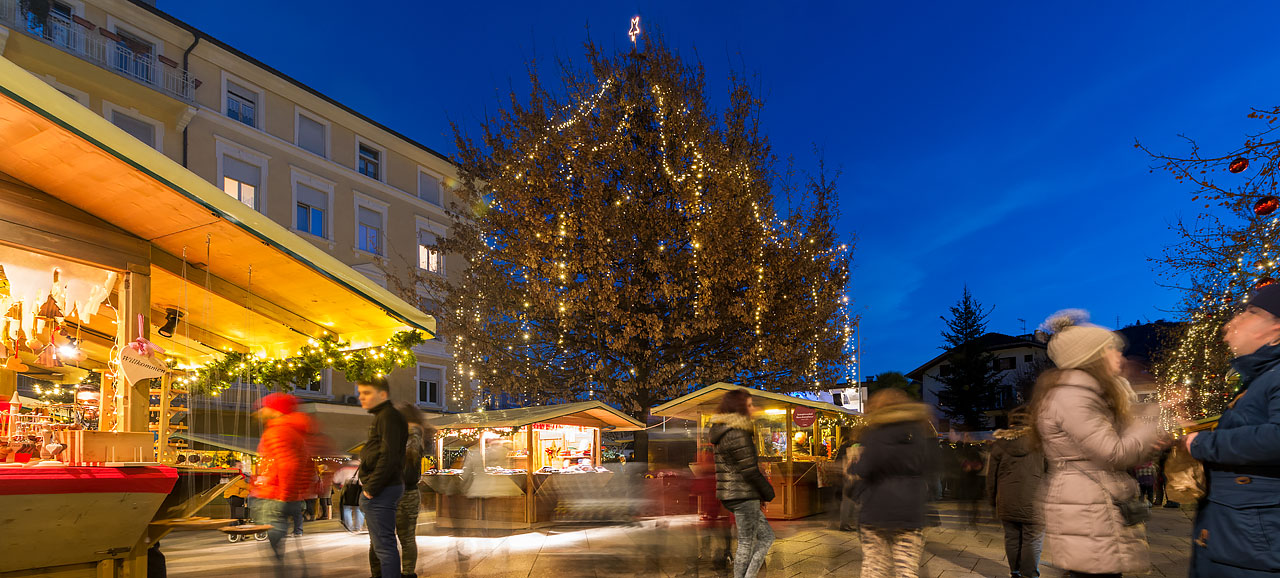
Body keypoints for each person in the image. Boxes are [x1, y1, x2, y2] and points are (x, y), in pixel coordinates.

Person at [1030, 311, 1162, 578]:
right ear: (1092, 357)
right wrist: (1148, 422)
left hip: (1091, 505)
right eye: (1112, 350)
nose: (1120, 357)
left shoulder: (1083, 393)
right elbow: (1113, 452)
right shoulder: (1073, 396)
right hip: (1088, 509)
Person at [1184, 285, 1280, 576]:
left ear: (1276, 329)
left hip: (1255, 545)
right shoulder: (1260, 378)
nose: (1233, 322)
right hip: (1241, 538)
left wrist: (1201, 443)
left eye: (1251, 313)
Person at [851, 388, 934, 578]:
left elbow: (864, 469)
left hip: (876, 510)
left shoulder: (875, 434)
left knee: (874, 568)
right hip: (910, 511)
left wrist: (854, 465)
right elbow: (931, 467)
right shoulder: (919, 433)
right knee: (906, 569)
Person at [708, 388, 775, 578]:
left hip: (733, 493)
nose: (753, 409)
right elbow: (750, 470)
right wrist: (768, 493)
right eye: (749, 405)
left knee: (766, 537)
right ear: (739, 409)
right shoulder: (737, 433)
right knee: (747, 542)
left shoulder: (723, 431)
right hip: (743, 494)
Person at [249, 392, 314, 570]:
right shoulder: (295, 431)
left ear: (275, 410)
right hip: (286, 494)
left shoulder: (278, 430)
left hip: (275, 495)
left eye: (265, 406)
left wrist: (283, 495)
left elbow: (288, 464)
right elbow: (305, 464)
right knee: (278, 547)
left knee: (275, 551)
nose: (260, 411)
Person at [369, 401, 431, 578]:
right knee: (407, 538)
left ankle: (378, 574)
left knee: (378, 539)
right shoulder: (418, 435)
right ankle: (407, 572)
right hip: (408, 493)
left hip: (386, 493)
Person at [357, 377, 409, 578]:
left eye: (367, 392)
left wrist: (372, 487)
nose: (361, 397)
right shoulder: (384, 416)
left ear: (383, 395)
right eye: (360, 392)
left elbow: (389, 455)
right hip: (383, 488)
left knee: (384, 546)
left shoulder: (388, 416)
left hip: (382, 489)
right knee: (380, 544)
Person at [987, 406, 1047, 578]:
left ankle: (1015, 572)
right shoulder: (1041, 444)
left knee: (1012, 537)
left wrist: (993, 500)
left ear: (1011, 422)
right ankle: (1030, 574)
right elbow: (1051, 473)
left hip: (1007, 499)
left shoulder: (1000, 444)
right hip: (1035, 500)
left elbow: (992, 476)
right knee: (1033, 538)